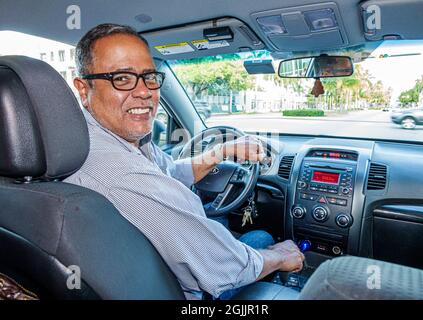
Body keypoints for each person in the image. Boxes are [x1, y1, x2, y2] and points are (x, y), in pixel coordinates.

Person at [64, 23, 304, 300]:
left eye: (149, 77)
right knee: (263, 238)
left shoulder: (100, 141)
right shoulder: (122, 177)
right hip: (185, 292)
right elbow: (224, 267)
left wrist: (223, 150)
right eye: (122, 78)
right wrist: (280, 258)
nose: (144, 92)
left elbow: (169, 171)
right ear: (84, 89)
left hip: (151, 276)